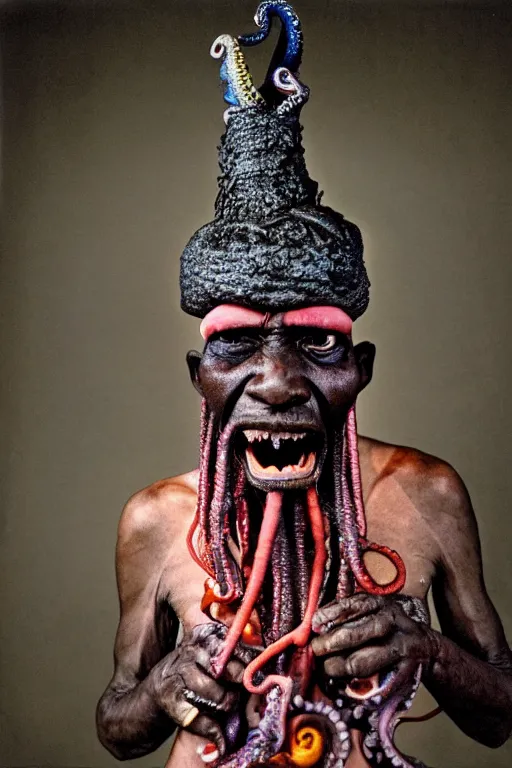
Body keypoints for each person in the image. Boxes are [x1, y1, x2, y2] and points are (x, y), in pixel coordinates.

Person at [96, 3, 512, 767]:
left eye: (317, 344)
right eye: (239, 347)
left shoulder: (430, 494)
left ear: (361, 371)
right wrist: (160, 689)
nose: (279, 383)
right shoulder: (155, 520)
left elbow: (499, 716)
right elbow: (118, 721)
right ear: (201, 380)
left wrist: (425, 648)